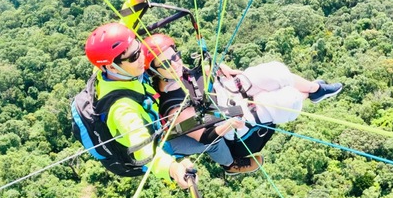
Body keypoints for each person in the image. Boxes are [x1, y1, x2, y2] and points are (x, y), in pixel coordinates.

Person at [143, 33, 343, 162]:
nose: (175, 63)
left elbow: (198, 76)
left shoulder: (178, 72)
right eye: (166, 63)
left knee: (275, 72)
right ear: (155, 71)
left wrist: (219, 69)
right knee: (285, 100)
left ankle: (316, 89)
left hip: (226, 91)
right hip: (230, 120)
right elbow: (205, 137)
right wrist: (228, 124)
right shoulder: (173, 107)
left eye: (175, 56)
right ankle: (308, 94)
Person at [83, 22, 195, 189]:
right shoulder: (121, 109)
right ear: (110, 66)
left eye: (139, 49)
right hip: (153, 146)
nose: (142, 57)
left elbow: (125, 25)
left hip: (151, 109)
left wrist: (136, 1)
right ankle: (231, 165)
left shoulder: (107, 69)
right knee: (209, 142)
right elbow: (143, 147)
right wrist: (172, 168)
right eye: (134, 56)